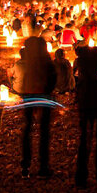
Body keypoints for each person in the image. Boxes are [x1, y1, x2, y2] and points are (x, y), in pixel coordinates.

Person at [12, 36, 57, 178]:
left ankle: (25, 165)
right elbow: (53, 78)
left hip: (29, 96)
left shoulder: (28, 62)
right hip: (43, 96)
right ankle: (43, 167)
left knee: (27, 130)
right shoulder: (45, 61)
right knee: (43, 132)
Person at [73, 41, 97, 189]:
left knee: (84, 137)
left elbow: (74, 74)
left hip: (84, 98)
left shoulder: (80, 58)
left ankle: (80, 177)